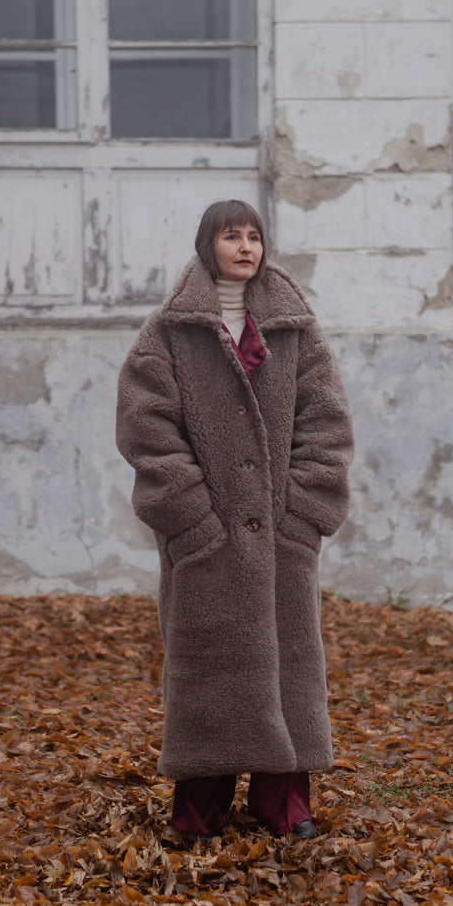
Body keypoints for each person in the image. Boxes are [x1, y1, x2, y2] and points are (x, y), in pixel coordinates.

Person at [115, 199, 354, 843]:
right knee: (209, 673)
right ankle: (200, 810)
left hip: (282, 539)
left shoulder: (294, 329)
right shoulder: (169, 333)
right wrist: (192, 523)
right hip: (206, 545)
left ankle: (285, 804)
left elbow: (325, 425)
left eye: (254, 236)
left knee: (290, 667)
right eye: (231, 236)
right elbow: (147, 432)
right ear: (207, 246)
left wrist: (303, 516)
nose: (245, 247)